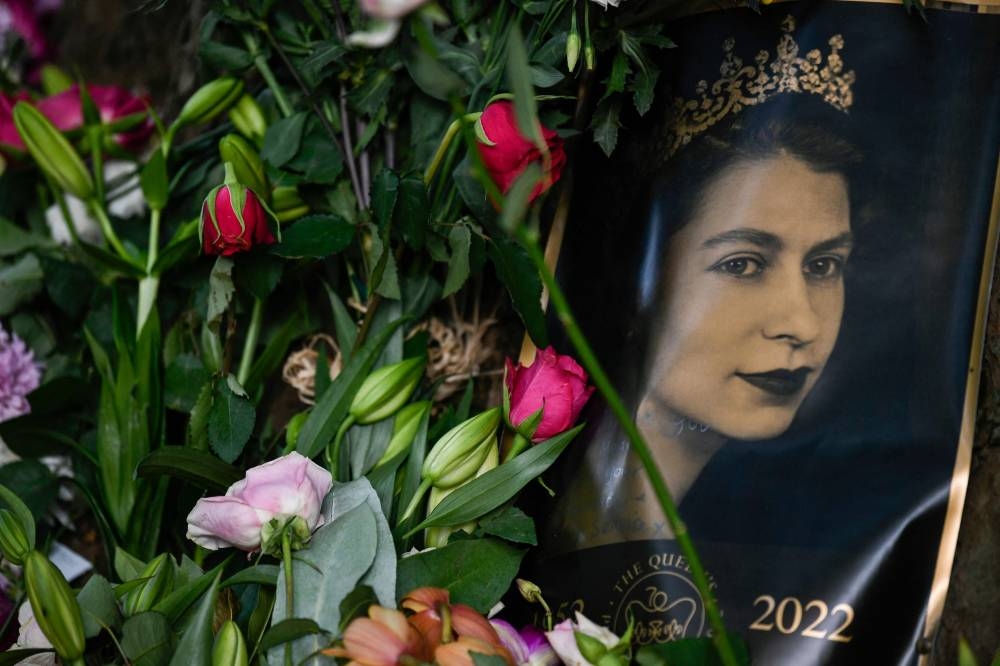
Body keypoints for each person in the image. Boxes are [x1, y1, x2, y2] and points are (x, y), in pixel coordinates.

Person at [546, 100, 862, 550]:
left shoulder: (791, 543)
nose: (803, 323)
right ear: (640, 280)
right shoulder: (554, 531)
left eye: (824, 265)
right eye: (742, 265)